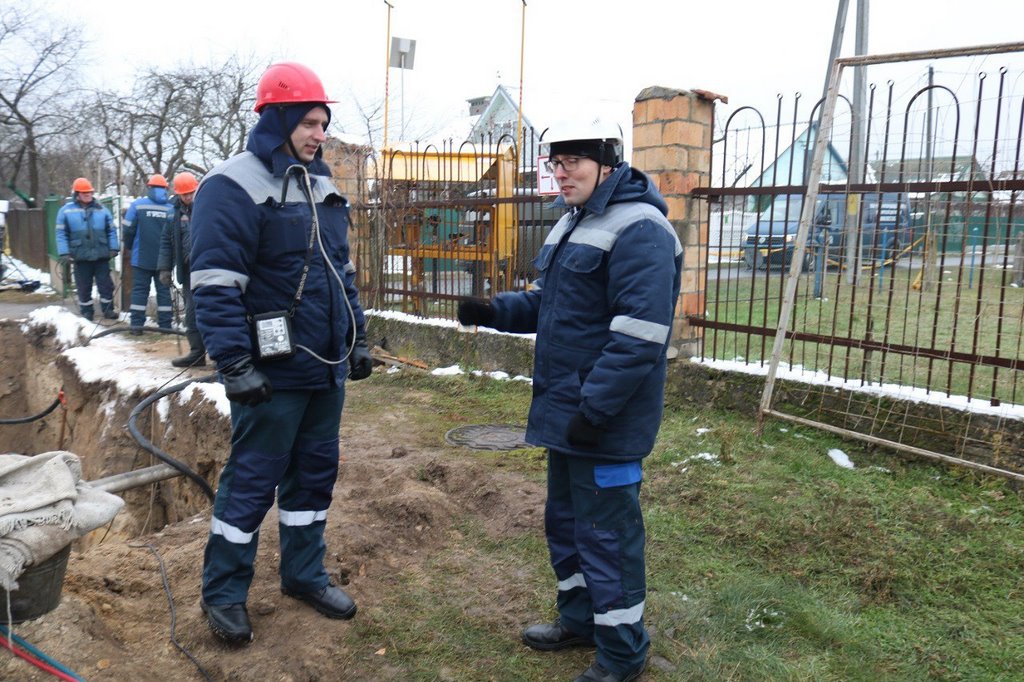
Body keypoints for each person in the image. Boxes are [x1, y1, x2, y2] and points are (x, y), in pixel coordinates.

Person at [457, 119, 682, 682]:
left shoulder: (641, 229)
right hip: (568, 416)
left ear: (606, 164)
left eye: (572, 164)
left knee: (608, 537)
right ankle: (580, 620)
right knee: (567, 526)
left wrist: (595, 411)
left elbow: (640, 338)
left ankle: (623, 653)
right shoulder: (571, 223)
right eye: (554, 164)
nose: (560, 174)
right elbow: (547, 304)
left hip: (604, 421)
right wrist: (495, 311)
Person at [189, 61, 374, 646]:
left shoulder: (322, 185)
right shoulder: (232, 184)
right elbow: (216, 282)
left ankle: (303, 575)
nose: (321, 134)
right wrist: (234, 364)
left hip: (325, 367)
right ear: (279, 119)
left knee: (315, 477)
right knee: (252, 481)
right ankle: (223, 594)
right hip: (271, 372)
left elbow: (339, 272)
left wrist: (358, 337)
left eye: (324, 123)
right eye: (311, 123)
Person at [54, 177, 119, 321]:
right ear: (77, 194)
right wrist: (64, 252)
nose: (88, 195)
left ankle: (108, 310)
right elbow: (61, 233)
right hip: (80, 256)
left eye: (89, 192)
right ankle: (87, 311)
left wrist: (114, 248)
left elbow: (111, 230)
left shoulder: (102, 210)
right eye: (84, 193)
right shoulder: (65, 211)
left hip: (101, 255)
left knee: (106, 285)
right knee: (83, 286)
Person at [158, 172, 205, 367]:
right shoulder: (172, 214)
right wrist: (164, 268)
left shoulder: (207, 206)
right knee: (191, 312)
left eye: (190, 193)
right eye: (184, 194)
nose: (187, 197)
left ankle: (222, 355)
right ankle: (197, 353)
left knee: (214, 310)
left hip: (208, 268)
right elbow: (166, 243)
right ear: (177, 194)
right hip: (187, 271)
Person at [123, 174, 175, 333]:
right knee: (164, 292)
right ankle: (166, 327)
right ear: (166, 189)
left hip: (141, 258)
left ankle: (136, 327)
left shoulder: (137, 206)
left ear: (149, 187)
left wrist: (131, 247)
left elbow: (128, 229)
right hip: (164, 260)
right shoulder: (171, 209)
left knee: (140, 291)